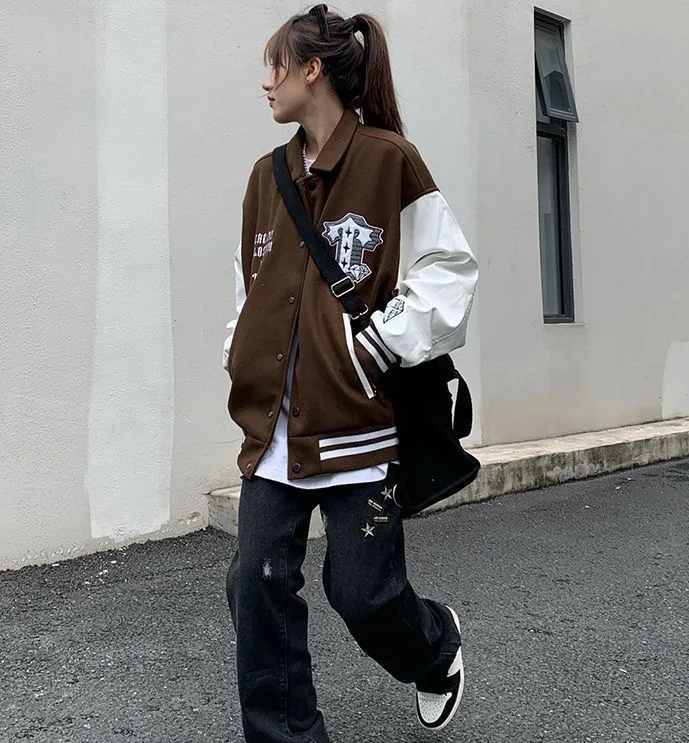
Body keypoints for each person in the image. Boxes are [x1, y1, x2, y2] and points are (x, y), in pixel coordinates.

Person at [223, 5, 478, 741]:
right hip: (274, 430)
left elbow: (449, 270)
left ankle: (433, 649)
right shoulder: (265, 178)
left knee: (362, 593)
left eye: (275, 64)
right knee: (254, 585)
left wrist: (380, 347)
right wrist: (240, 355)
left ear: (312, 70)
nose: (264, 82)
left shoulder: (389, 160)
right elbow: (247, 290)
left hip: (360, 427)